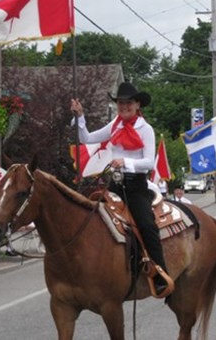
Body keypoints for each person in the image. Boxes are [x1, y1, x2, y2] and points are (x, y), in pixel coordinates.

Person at [71, 81, 170, 295]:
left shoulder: (146, 129)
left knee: (146, 224)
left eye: (128, 103)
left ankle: (160, 271)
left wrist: (125, 162)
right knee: (92, 217)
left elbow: (149, 163)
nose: (124, 107)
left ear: (137, 105)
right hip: (114, 184)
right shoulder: (115, 124)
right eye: (120, 103)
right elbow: (86, 138)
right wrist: (80, 116)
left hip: (136, 185)